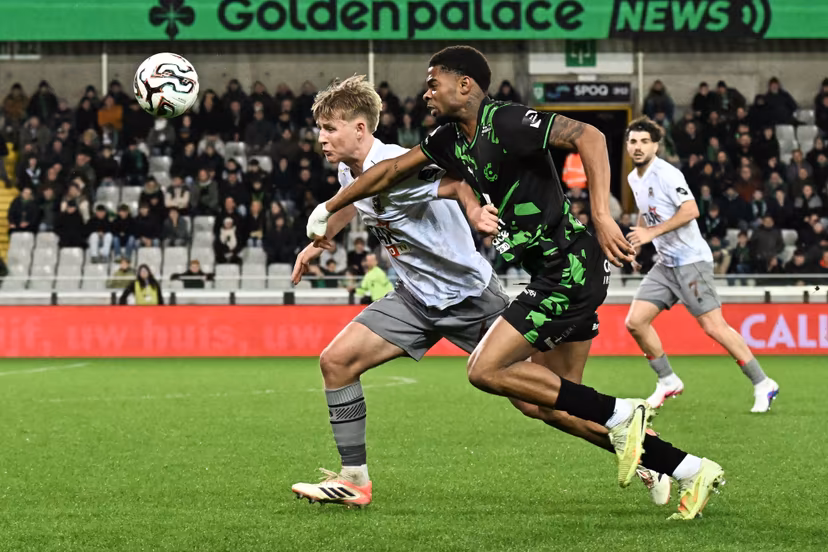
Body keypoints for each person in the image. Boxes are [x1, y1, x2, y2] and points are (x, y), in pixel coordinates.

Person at [302, 53, 722, 522]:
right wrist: (329, 214)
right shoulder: (445, 139)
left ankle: (629, 421)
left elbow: (587, 136)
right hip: (446, 291)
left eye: (432, 82)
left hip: (535, 276)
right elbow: (380, 180)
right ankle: (680, 465)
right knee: (549, 400)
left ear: (464, 86)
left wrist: (599, 214)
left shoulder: (505, 121)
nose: (425, 92)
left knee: (521, 388)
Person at [623, 116, 779, 413]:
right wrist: (638, 241)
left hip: (691, 261)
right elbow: (647, 213)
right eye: (633, 142)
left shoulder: (667, 174)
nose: (639, 147)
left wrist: (650, 233)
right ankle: (668, 380)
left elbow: (691, 210)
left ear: (656, 145)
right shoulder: (634, 178)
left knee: (713, 326)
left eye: (645, 141)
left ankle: (762, 382)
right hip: (666, 263)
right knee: (635, 322)